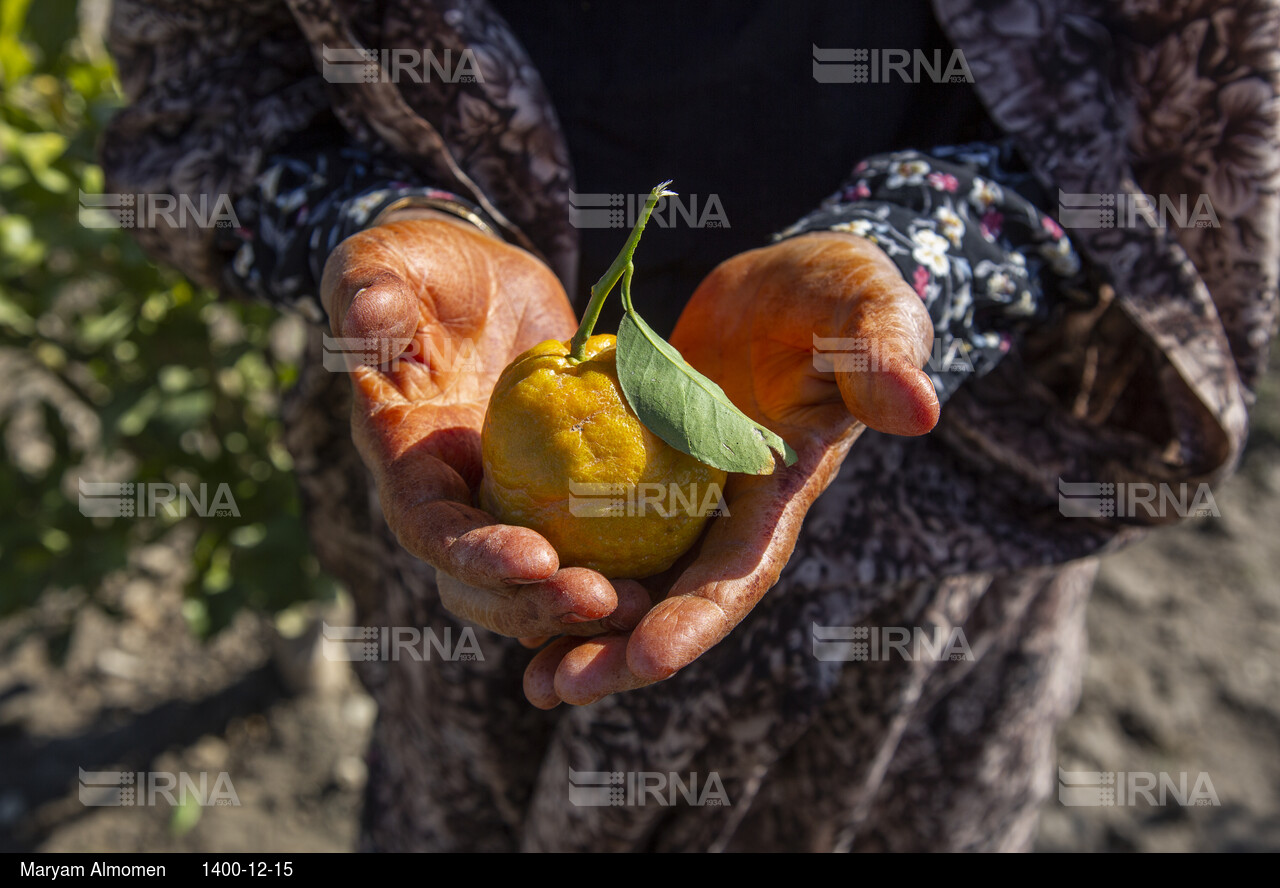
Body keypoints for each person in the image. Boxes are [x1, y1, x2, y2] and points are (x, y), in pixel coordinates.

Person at [101, 0, 1277, 851]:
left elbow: (1169, 136)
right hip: (450, 464)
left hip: (917, 546)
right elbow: (201, 99)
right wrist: (374, 229)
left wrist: (921, 257)